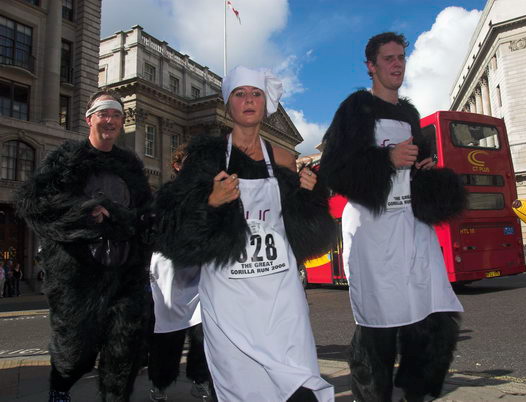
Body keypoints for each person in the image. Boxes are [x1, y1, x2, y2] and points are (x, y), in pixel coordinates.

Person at [153, 65, 336, 402]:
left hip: (281, 295)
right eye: (240, 94)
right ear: (228, 105)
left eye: (256, 93)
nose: (249, 100)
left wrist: (311, 197)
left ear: (266, 104)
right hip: (228, 300)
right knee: (243, 389)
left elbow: (308, 235)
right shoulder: (207, 158)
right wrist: (210, 202)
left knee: (299, 383)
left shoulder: (282, 158)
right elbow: (172, 230)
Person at [319, 32, 465, 402]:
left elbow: (412, 165)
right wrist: (385, 160)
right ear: (371, 66)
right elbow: (334, 169)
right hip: (373, 230)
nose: (397, 64)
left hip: (413, 227)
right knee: (379, 322)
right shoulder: (355, 108)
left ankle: (417, 391)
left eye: (401, 57)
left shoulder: (410, 113)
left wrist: (424, 168)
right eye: (388, 59)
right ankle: (374, 394)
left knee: (432, 312)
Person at [16, 89, 153, 402]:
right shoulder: (67, 159)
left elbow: (145, 214)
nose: (110, 120)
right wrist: (84, 211)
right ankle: (59, 390)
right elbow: (33, 203)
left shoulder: (129, 166)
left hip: (124, 275)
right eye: (103, 113)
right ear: (89, 118)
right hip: (78, 279)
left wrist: (135, 222)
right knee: (76, 353)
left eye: (116, 114)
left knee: (123, 350)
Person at [148, 144, 214, 402]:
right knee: (168, 332)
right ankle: (160, 383)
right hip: (171, 272)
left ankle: (200, 379)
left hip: (200, 269)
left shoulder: (209, 194)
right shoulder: (166, 194)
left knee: (203, 332)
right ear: (177, 166)